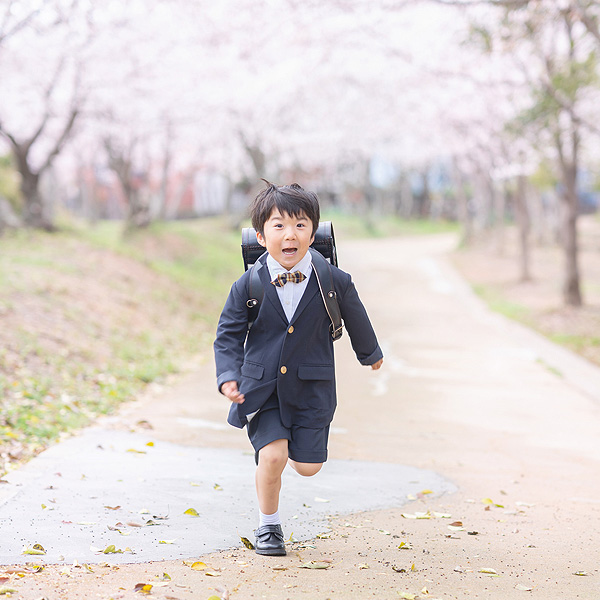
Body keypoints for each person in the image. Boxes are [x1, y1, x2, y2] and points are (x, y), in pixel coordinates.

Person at [214, 181, 383, 556]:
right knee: (273, 456)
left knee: (307, 466)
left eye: (301, 224)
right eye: (278, 226)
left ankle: (289, 451)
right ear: (260, 235)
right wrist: (228, 376)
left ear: (315, 231)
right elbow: (227, 336)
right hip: (263, 387)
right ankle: (268, 526)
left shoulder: (333, 280)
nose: (290, 234)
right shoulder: (248, 285)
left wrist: (370, 353)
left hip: (312, 387)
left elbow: (356, 317)